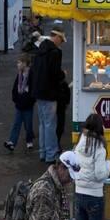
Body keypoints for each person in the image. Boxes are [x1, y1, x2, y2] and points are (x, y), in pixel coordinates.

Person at [31, 28, 67, 164]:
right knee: (50, 124)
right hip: (50, 92)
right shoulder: (55, 52)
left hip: (38, 91)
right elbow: (54, 74)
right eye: (61, 40)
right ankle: (51, 154)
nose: (61, 43)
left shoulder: (41, 49)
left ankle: (43, 152)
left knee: (42, 123)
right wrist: (63, 74)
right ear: (57, 37)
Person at [74, 113, 110, 220]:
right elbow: (100, 175)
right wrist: (108, 162)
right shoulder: (99, 147)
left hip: (79, 194)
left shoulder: (79, 144)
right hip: (94, 196)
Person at [24, 151, 80, 220]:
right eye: (70, 176)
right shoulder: (44, 191)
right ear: (61, 167)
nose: (70, 181)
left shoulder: (56, 184)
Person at [4, 54, 35, 152]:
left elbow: (32, 90)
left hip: (27, 105)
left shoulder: (31, 75)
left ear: (25, 63)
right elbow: (15, 88)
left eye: (19, 62)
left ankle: (29, 140)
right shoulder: (20, 74)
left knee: (28, 125)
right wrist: (15, 99)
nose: (17, 64)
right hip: (19, 104)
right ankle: (12, 142)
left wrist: (30, 101)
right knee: (16, 124)